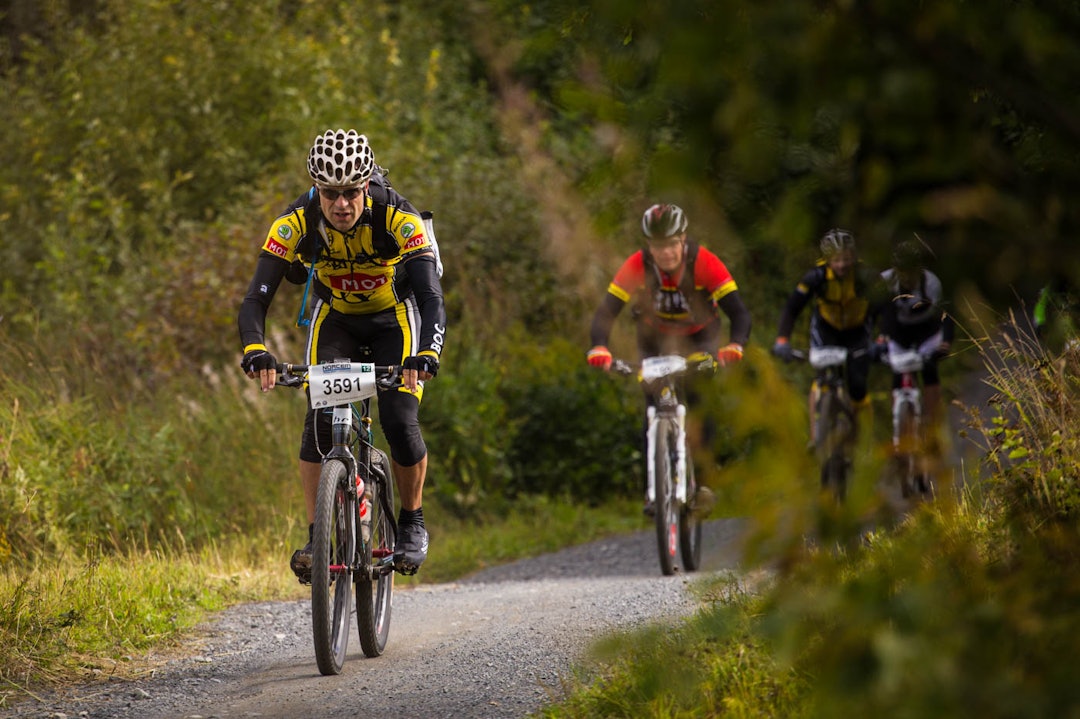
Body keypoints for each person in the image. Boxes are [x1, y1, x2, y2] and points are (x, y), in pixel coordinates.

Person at [237, 129, 446, 578]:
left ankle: (412, 521)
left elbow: (431, 298)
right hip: (337, 322)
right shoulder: (295, 221)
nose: (342, 205)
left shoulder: (398, 217)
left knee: (399, 420)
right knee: (319, 424)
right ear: (317, 189)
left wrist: (426, 353)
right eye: (331, 193)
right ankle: (318, 538)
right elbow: (256, 299)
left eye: (351, 192)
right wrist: (256, 349)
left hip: (396, 320)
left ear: (366, 185)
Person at [586, 203, 752, 513]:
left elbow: (739, 314)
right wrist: (599, 346)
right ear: (649, 246)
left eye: (672, 244)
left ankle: (703, 485)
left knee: (700, 403)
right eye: (658, 246)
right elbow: (607, 311)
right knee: (652, 409)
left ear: (684, 240)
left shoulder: (705, 263)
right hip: (654, 338)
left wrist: (735, 346)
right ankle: (654, 489)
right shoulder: (637, 265)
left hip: (699, 337)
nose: (665, 253)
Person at [771, 228, 883, 445]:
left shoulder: (865, 276)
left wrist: (882, 339)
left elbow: (885, 305)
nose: (842, 265)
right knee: (820, 379)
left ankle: (866, 441)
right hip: (826, 330)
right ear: (827, 260)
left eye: (847, 259)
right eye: (836, 260)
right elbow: (792, 308)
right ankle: (816, 436)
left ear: (854, 257)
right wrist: (782, 340)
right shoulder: (816, 278)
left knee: (858, 386)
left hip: (857, 331)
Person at [879, 237, 953, 443]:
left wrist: (946, 341)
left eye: (911, 270)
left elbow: (945, 315)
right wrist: (877, 339)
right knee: (898, 371)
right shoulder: (885, 281)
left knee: (930, 369)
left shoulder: (931, 283)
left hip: (927, 332)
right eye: (902, 271)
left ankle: (932, 428)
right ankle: (899, 429)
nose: (907, 277)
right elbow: (876, 312)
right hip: (898, 332)